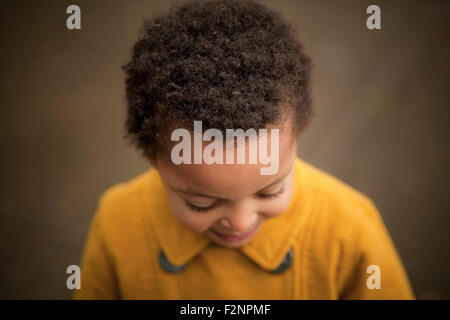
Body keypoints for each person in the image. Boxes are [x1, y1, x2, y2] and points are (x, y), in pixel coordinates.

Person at [74, 0, 414, 299]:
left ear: (297, 137)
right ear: (154, 159)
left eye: (270, 192)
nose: (240, 222)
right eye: (201, 202)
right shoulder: (118, 224)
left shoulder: (349, 228)